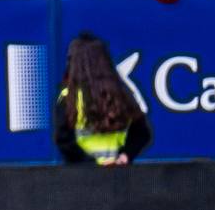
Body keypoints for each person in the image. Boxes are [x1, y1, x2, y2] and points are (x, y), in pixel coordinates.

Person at [52, 30, 149, 164]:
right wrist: (125, 156)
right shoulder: (121, 95)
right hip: (118, 176)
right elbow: (142, 133)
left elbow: (63, 140)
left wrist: (91, 164)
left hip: (80, 178)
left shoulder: (69, 97)